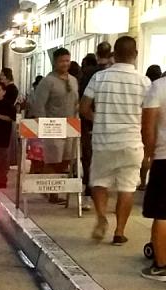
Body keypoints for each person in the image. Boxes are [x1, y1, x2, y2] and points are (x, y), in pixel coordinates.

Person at [80, 36, 151, 245]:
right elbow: (148, 114)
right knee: (127, 188)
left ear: (114, 55)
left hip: (104, 141)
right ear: (135, 55)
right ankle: (119, 232)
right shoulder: (144, 81)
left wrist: (99, 119)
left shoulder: (99, 78)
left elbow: (83, 108)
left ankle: (101, 216)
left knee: (99, 183)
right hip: (132, 142)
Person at [31, 48, 79, 202]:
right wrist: (43, 125)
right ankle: (51, 192)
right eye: (62, 61)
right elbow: (39, 105)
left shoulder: (73, 80)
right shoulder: (48, 81)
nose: (65, 64)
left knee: (66, 160)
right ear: (55, 62)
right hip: (53, 127)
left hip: (70, 127)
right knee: (53, 160)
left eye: (67, 60)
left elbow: (76, 103)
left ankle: (59, 189)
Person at [78, 43, 113, 209]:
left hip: (90, 122)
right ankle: (102, 195)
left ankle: (89, 194)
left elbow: (83, 103)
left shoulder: (88, 74)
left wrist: (93, 118)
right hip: (110, 124)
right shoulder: (112, 73)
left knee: (90, 159)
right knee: (107, 161)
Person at [141, 75, 166, 280]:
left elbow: (148, 127)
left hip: (164, 157)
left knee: (163, 213)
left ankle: (161, 265)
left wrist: (148, 155)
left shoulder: (158, 87)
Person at [140, 65, 164, 189]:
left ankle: (143, 181)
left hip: (161, 154)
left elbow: (148, 124)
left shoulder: (156, 87)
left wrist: (149, 153)